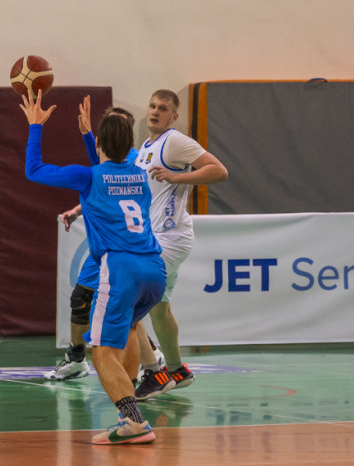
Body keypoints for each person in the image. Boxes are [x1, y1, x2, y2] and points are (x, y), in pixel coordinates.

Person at [22, 92, 166, 445]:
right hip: (154, 269)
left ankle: (134, 422)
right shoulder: (140, 175)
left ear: (101, 142)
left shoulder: (88, 177)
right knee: (131, 329)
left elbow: (34, 170)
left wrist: (36, 126)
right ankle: (126, 416)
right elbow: (109, 171)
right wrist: (91, 137)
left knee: (101, 351)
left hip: (120, 270)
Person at [132, 89, 228, 402]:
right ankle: (177, 370)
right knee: (159, 308)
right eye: (152, 106)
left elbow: (218, 170)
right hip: (160, 237)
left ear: (174, 116)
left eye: (163, 108)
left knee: (127, 302)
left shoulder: (175, 141)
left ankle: (154, 374)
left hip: (168, 238)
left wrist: (176, 177)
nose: (155, 111)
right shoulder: (146, 147)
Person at [46, 99, 142, 382]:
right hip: (104, 246)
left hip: (127, 245)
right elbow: (100, 185)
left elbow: (113, 188)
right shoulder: (103, 159)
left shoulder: (135, 160)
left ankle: (149, 359)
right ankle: (76, 358)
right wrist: (77, 210)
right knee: (81, 299)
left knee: (130, 311)